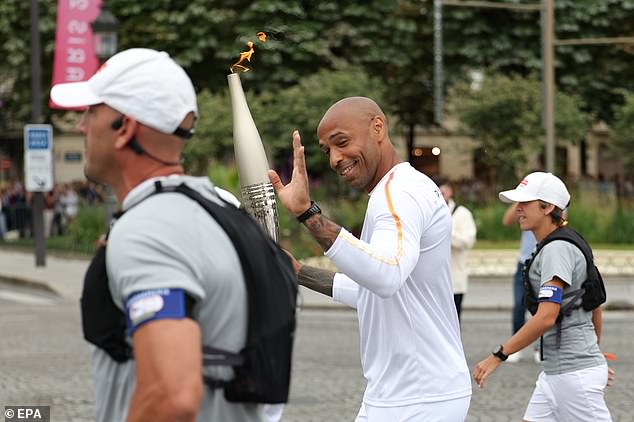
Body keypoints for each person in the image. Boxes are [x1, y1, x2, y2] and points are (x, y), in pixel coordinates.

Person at [51, 48, 267, 422]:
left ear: (125, 129)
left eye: (93, 112)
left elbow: (172, 396)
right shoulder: (219, 208)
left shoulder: (149, 229)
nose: (82, 127)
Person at [269, 97, 472, 421]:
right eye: (327, 151)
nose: (335, 159)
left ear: (377, 127)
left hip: (417, 396)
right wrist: (297, 271)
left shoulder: (398, 194)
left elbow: (384, 276)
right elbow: (371, 290)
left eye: (342, 142)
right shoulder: (398, 189)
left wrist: (308, 214)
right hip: (405, 392)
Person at [473, 172, 613, 421]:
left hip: (572, 377)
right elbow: (595, 305)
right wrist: (593, 356)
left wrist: (498, 355)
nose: (518, 210)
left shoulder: (556, 250)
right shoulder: (564, 243)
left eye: (524, 203)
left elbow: (546, 316)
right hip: (559, 373)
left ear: (548, 207)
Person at [435, 177, 477, 322]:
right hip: (432, 282)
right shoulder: (428, 213)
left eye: (443, 191)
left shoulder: (462, 214)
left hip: (454, 281)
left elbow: (468, 241)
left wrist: (445, 231)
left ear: (450, 192)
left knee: (453, 323)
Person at [502, 203, 538, 362]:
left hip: (541, 260)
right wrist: (520, 201)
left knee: (541, 307)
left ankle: (541, 347)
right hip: (524, 261)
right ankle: (515, 347)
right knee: (518, 304)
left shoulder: (549, 202)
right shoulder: (523, 205)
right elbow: (507, 221)